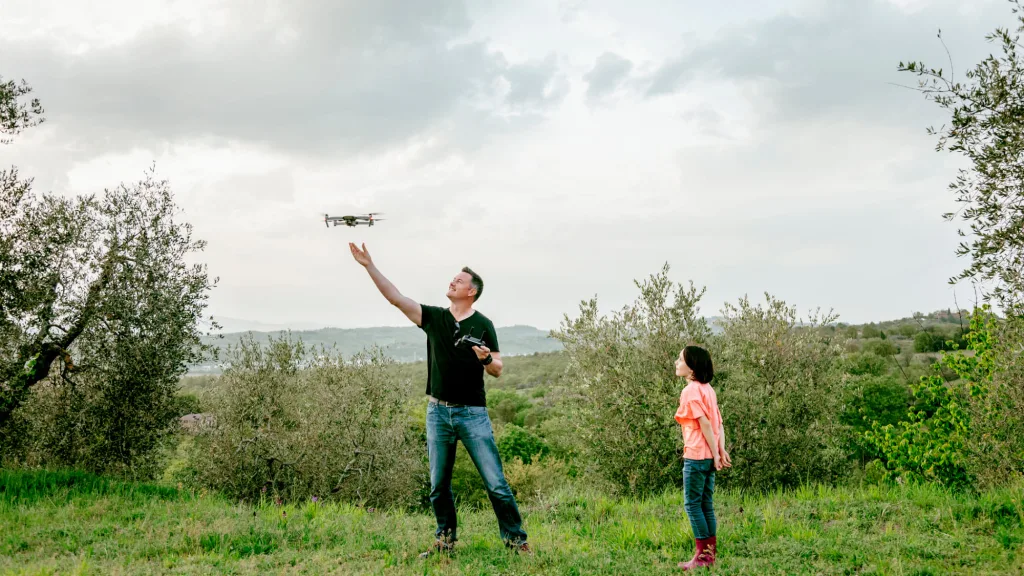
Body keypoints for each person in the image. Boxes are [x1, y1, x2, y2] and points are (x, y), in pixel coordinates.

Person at [348, 242, 531, 558]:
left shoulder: (483, 325)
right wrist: (369, 266)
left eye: (459, 281)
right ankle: (445, 542)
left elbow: (498, 369)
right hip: (437, 413)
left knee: (496, 483)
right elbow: (396, 298)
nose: (452, 282)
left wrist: (486, 359)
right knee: (438, 487)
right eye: (453, 279)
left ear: (471, 292)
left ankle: (516, 542)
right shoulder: (434, 318)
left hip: (473, 414)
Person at [673, 344, 731, 570]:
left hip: (697, 456)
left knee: (693, 505)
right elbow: (720, 424)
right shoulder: (708, 389)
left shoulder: (690, 391)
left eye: (680, 359)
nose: (677, 363)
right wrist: (720, 451)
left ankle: (703, 557)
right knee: (706, 504)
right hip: (708, 456)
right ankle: (709, 556)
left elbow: (706, 423)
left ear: (692, 366)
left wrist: (718, 453)